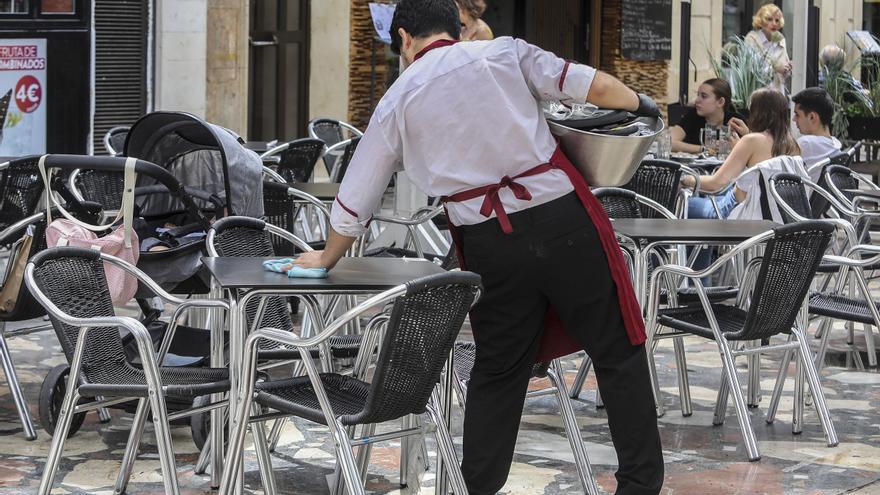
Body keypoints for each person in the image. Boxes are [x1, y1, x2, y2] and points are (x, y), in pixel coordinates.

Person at [289, 1, 664, 493]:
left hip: (490, 242)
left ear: (403, 37)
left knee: (499, 368)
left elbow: (355, 194)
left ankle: (480, 488)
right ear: (457, 26)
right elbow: (593, 85)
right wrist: (641, 102)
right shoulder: (503, 53)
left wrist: (326, 256)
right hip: (561, 220)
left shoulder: (399, 95)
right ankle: (639, 485)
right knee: (617, 350)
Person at [683, 88, 803, 221]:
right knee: (701, 195)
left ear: (757, 113)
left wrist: (683, 179)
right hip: (773, 216)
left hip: (738, 210)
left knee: (683, 202)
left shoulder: (751, 142)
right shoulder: (793, 145)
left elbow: (716, 183)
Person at [670, 78, 747, 153]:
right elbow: (670, 142)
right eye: (698, 95)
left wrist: (747, 134)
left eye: (704, 96)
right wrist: (706, 149)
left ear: (720, 102)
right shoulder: (693, 115)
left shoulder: (735, 121)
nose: (697, 100)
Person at [791, 87, 842, 179]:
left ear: (812, 117)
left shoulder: (806, 143)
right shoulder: (835, 144)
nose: (794, 119)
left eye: (797, 114)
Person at [745, 3, 792, 93]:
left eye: (777, 20)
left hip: (777, 92)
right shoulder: (752, 39)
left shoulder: (781, 39)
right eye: (770, 19)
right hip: (757, 92)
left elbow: (783, 72)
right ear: (761, 21)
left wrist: (787, 69)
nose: (774, 23)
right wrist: (776, 69)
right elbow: (752, 69)